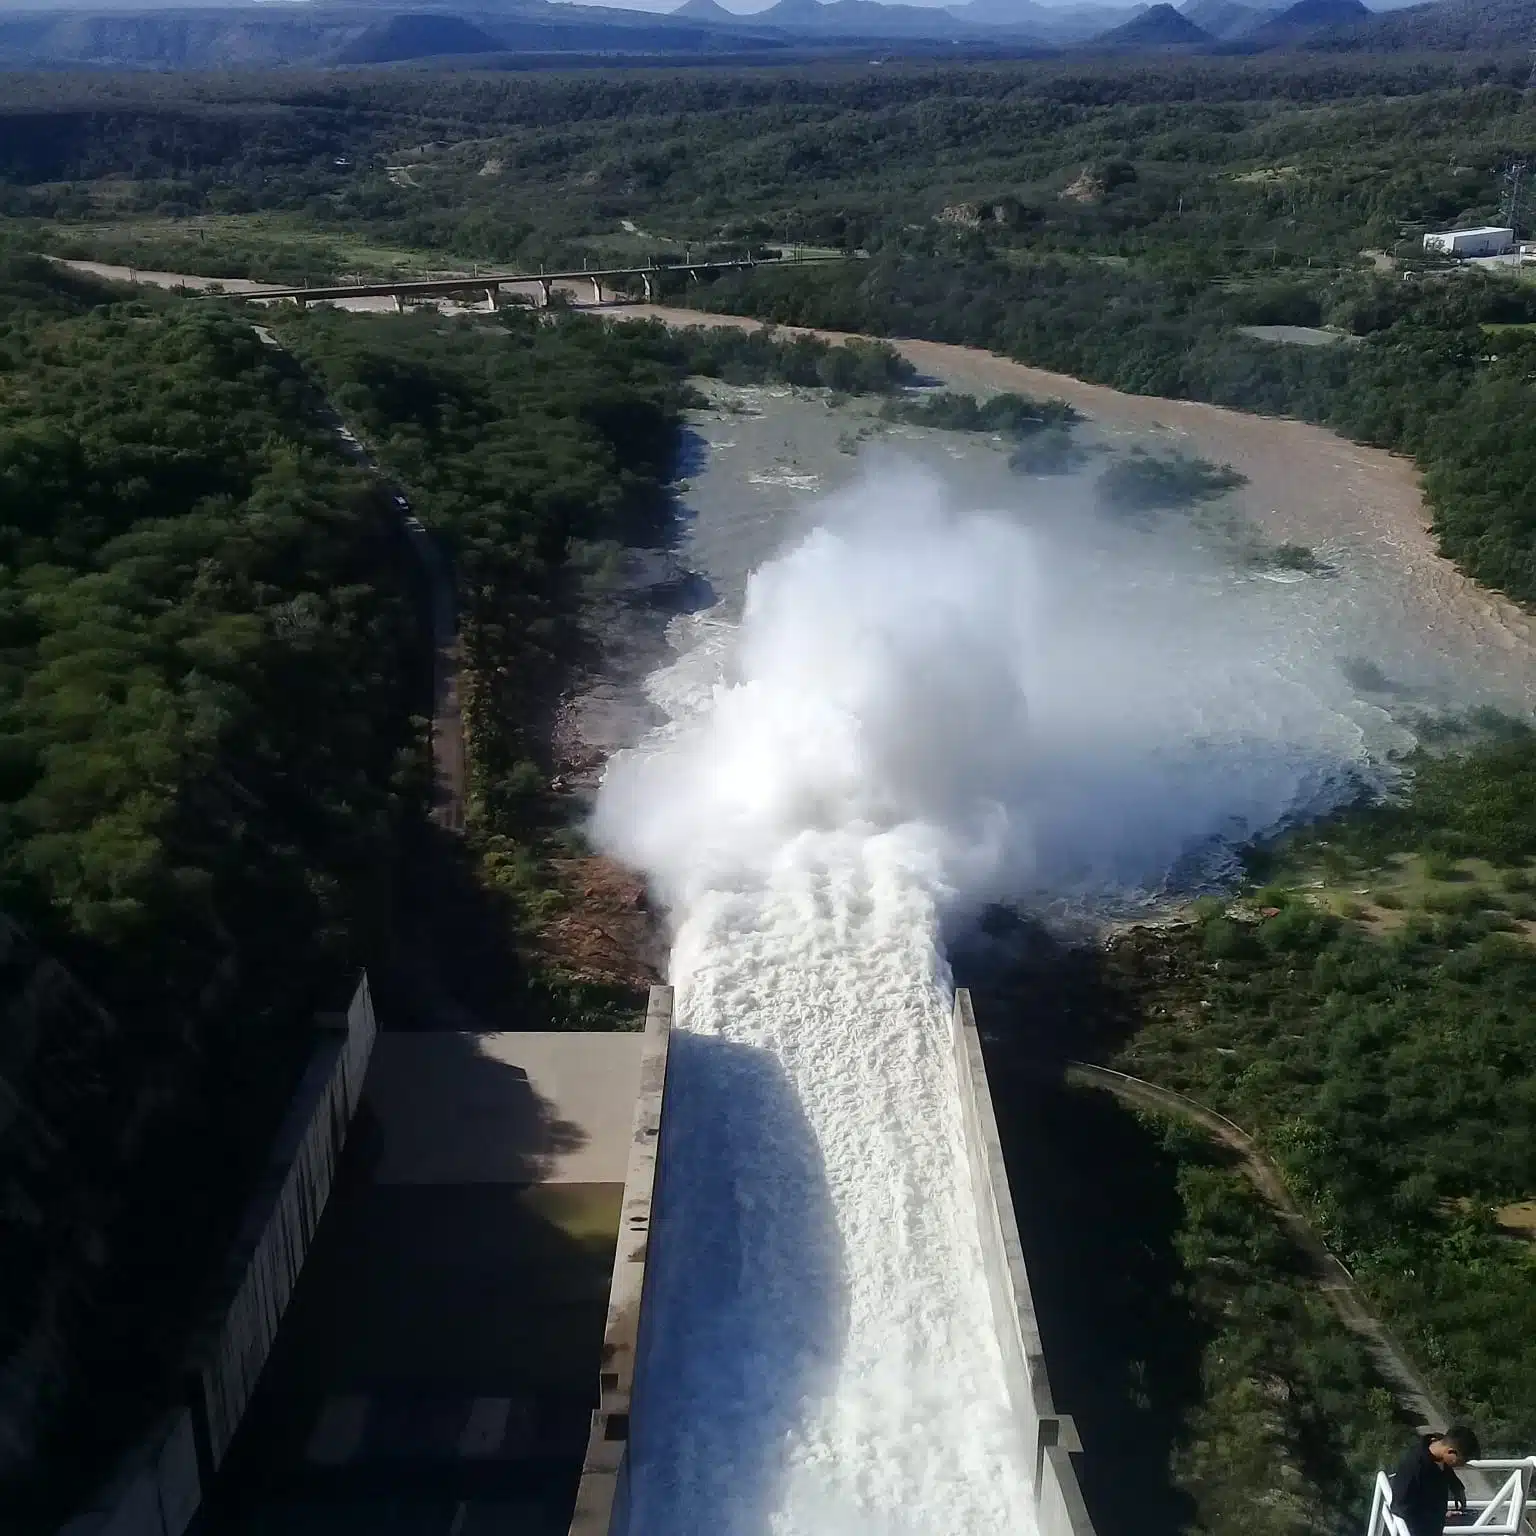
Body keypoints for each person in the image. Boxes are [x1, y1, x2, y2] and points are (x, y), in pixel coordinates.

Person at [1390, 1426, 1482, 1536]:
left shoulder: (1439, 1447)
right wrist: (1437, 1515)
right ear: (1451, 1452)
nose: (1463, 1465)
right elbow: (1399, 1506)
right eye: (1464, 1460)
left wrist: (1457, 1487)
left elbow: (1444, 1467)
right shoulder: (1414, 1467)